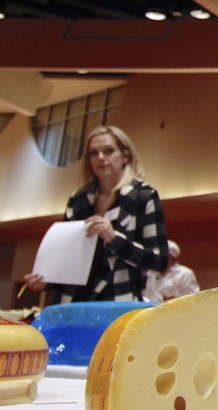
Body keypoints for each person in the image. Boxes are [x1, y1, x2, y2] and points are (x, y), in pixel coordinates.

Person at [23, 125, 169, 303]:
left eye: (108, 151)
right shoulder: (78, 200)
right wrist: (46, 281)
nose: (101, 158)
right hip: (71, 302)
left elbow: (159, 262)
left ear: (125, 156)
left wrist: (115, 240)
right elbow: (67, 260)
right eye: (94, 153)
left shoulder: (143, 197)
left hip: (117, 302)